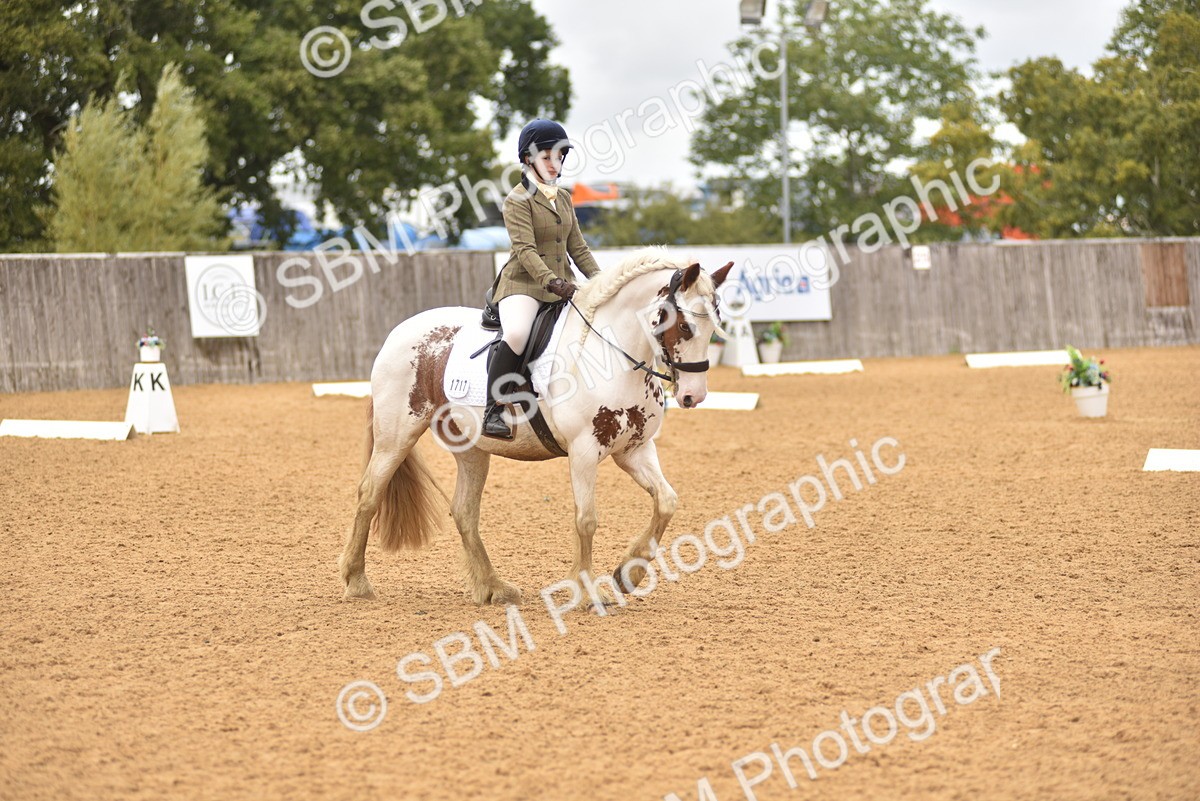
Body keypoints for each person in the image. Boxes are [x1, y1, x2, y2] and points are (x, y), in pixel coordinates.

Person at [483, 119, 602, 440]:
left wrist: (603, 282)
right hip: (523, 285)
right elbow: (525, 250)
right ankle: (492, 408)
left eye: (560, 157)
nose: (555, 164)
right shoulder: (516, 200)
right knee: (519, 334)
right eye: (547, 157)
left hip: (563, 284)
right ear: (528, 159)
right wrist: (552, 282)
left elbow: (578, 247)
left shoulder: (563, 198)